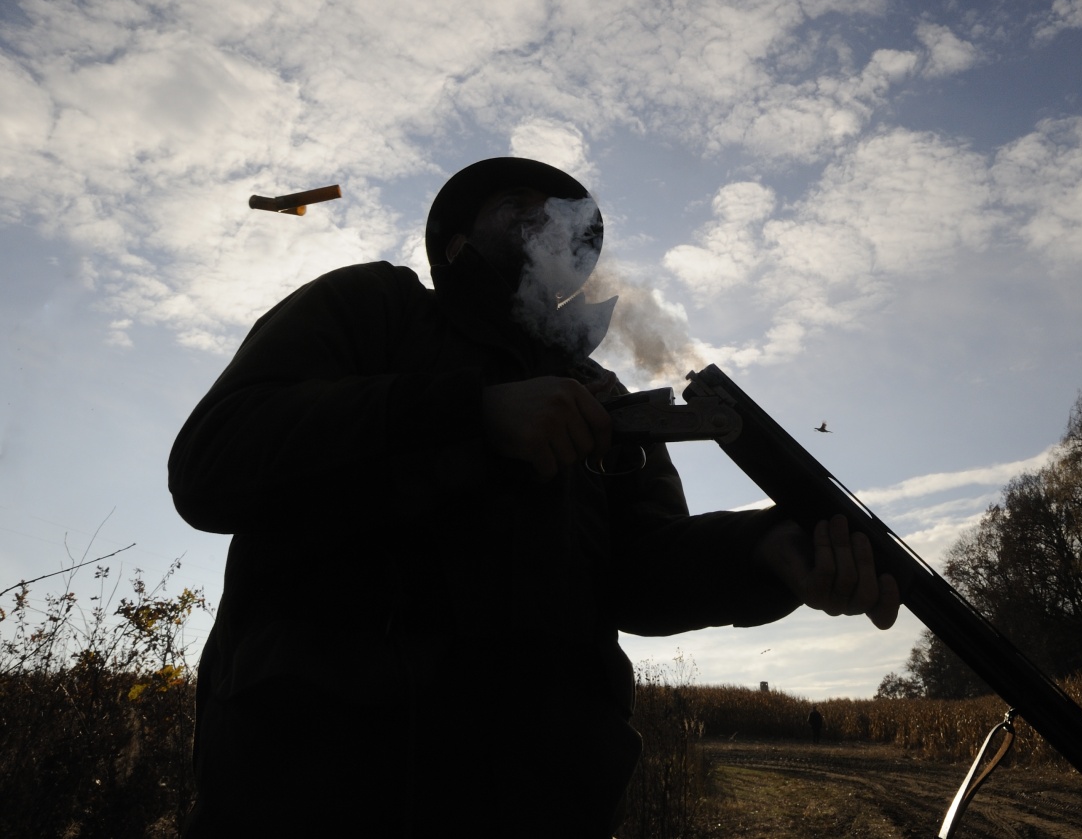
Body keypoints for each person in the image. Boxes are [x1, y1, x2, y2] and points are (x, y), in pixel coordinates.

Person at [169, 157, 899, 837]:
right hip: (312, 794)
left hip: (540, 807)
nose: (542, 216)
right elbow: (212, 461)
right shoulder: (375, 308)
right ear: (453, 239)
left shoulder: (602, 399)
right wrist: (472, 412)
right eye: (516, 204)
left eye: (557, 213)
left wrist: (766, 552)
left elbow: (640, 576)